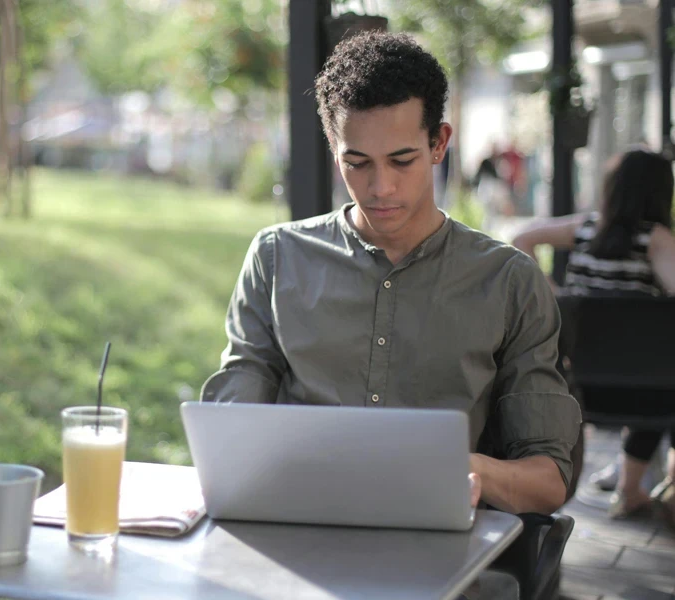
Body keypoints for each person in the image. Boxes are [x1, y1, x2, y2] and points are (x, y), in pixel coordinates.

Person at [201, 31, 581, 517]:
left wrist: (460, 469)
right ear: (334, 148)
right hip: (300, 529)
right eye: (356, 163)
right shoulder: (277, 258)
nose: (380, 187)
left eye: (402, 160)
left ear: (439, 143)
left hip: (442, 549)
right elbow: (232, 434)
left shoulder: (509, 281)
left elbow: (548, 481)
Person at [512, 149, 675, 523]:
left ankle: (635, 488)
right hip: (647, 393)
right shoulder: (656, 239)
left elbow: (521, 237)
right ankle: (636, 489)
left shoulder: (586, 228)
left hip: (579, 385)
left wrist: (553, 295)